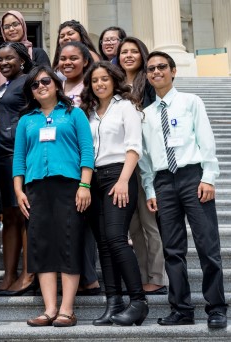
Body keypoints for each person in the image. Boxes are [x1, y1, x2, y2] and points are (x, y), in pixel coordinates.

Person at [139, 51, 227, 329]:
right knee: (172, 250)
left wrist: (209, 177)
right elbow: (145, 159)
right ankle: (181, 309)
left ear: (173, 71)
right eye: (151, 69)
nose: (156, 72)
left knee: (207, 246)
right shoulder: (146, 115)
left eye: (162, 67)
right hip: (163, 182)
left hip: (192, 177)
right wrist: (150, 190)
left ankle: (216, 307)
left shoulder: (191, 102)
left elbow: (206, 139)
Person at [13, 65, 94, 327]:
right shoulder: (27, 120)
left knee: (69, 244)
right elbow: (19, 159)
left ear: (56, 84)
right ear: (31, 92)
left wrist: (85, 185)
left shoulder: (74, 113)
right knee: (42, 247)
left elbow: (86, 152)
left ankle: (67, 310)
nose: (41, 87)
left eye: (45, 81)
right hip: (36, 188)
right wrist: (18, 189)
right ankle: (49, 309)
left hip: (69, 187)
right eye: (34, 85)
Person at [80, 61, 148, 326]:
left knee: (117, 239)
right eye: (95, 80)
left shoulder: (126, 107)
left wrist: (123, 181)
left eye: (104, 79)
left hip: (118, 176)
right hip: (94, 178)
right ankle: (114, 303)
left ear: (114, 80)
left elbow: (134, 147)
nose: (99, 84)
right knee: (104, 245)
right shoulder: (89, 112)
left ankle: (138, 302)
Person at [116, 37, 168, 295]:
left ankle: (157, 275)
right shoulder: (114, 83)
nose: (128, 55)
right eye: (123, 51)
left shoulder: (147, 82)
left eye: (133, 51)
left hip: (144, 157)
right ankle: (143, 274)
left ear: (142, 55)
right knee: (134, 223)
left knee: (149, 223)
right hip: (121, 159)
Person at [0, 42, 34, 297]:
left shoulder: (28, 81)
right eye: (0, 59)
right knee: (10, 216)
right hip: (0, 156)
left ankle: (28, 274)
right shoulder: (1, 87)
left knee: (24, 215)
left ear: (22, 60)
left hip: (19, 153)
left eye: (9, 58)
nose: (3, 63)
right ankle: (8, 275)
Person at [57, 41, 100, 296]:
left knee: (83, 224)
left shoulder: (91, 86)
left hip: (87, 161)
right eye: (63, 58)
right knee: (71, 224)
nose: (67, 62)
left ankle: (90, 278)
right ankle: (76, 275)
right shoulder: (57, 86)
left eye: (73, 58)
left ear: (86, 61)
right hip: (66, 163)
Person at [0, 10, 50, 83]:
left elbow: (46, 80)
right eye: (6, 27)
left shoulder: (38, 53)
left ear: (23, 25)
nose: (11, 29)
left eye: (15, 24)